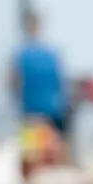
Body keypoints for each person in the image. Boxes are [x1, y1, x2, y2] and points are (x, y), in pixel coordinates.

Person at [10, 10, 69, 138]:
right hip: (44, 112)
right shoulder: (51, 54)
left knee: (36, 153)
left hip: (37, 113)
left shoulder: (22, 55)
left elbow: (13, 84)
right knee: (48, 153)